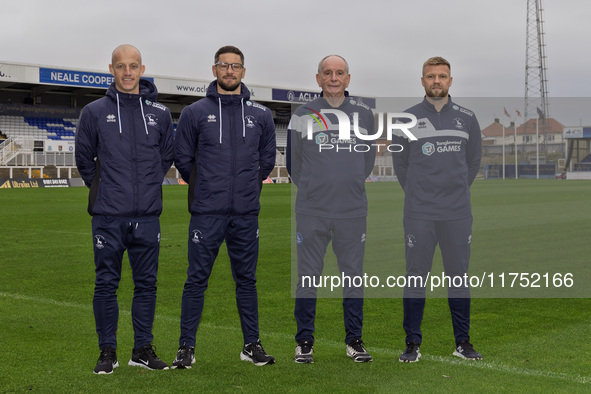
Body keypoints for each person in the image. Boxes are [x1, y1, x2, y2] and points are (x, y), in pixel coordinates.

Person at [172, 45, 276, 368]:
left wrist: (245, 189)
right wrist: (206, 187)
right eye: (223, 65)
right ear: (214, 69)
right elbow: (183, 159)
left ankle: (251, 344)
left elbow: (267, 160)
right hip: (207, 212)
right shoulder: (194, 113)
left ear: (244, 72)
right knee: (196, 280)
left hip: (245, 214)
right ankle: (186, 347)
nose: (230, 71)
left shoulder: (261, 115)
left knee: (247, 281)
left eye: (235, 66)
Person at [75, 44, 174, 374]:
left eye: (133, 66)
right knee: (106, 284)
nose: (127, 72)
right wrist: (107, 191)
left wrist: (145, 186)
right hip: (108, 215)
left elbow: (165, 157)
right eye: (121, 66)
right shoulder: (93, 112)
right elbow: (84, 160)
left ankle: (142, 349)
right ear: (111, 69)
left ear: (142, 69)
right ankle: (107, 351)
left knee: (147, 285)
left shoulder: (159, 114)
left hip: (147, 216)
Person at [391, 56, 482, 362]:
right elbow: (401, 166)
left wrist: (455, 191)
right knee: (416, 276)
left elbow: (473, 162)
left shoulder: (467, 118)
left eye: (442, 76)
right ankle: (412, 344)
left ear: (450, 81)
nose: (436, 81)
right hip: (419, 213)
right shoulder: (407, 119)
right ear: (422, 81)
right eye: (431, 76)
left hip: (457, 213)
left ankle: (463, 343)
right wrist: (420, 194)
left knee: (458, 276)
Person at [287, 55, 376, 363]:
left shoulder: (364, 114)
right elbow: (293, 164)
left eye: (340, 73)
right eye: (328, 73)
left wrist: (345, 185)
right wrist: (316, 189)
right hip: (312, 212)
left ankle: (354, 341)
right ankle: (305, 341)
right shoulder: (303, 114)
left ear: (348, 79)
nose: (334, 78)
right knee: (308, 276)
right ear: (319, 78)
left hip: (352, 212)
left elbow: (368, 160)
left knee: (353, 277)